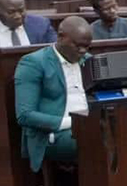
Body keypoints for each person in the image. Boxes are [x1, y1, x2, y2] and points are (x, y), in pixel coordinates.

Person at [13, 16, 93, 172]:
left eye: (87, 46)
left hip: (90, 125)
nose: (83, 51)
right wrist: (74, 122)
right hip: (53, 133)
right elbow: (24, 115)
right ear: (61, 37)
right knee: (94, 139)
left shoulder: (89, 60)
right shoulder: (33, 63)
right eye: (78, 45)